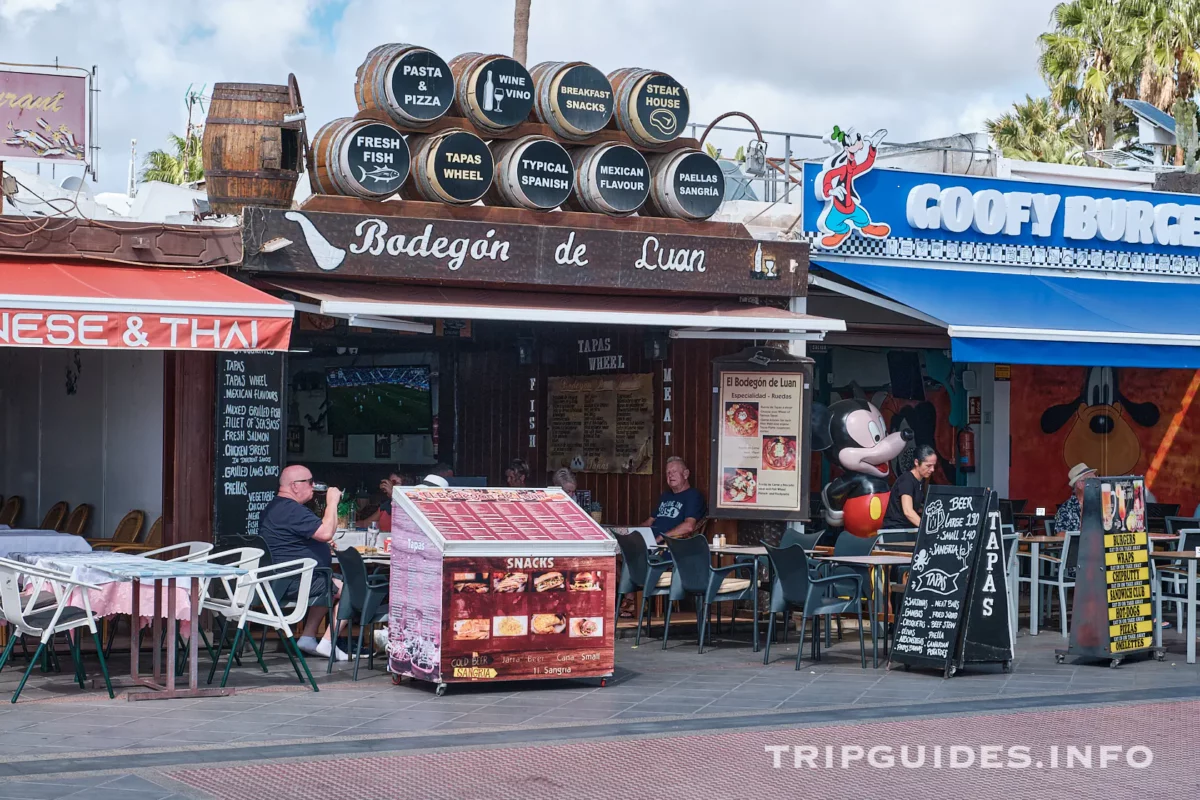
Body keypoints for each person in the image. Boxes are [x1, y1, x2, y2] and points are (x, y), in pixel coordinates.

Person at [260, 465, 348, 661]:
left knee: (329, 581)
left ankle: (308, 637)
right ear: (295, 486)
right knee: (351, 587)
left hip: (282, 578)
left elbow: (294, 539)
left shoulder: (276, 507)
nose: (313, 486)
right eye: (310, 482)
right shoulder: (292, 510)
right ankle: (328, 642)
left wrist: (317, 543)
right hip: (292, 581)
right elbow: (325, 532)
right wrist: (332, 502)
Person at [642, 456, 706, 542]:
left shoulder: (693, 495)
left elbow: (689, 526)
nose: (670, 475)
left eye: (674, 471)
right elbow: (649, 522)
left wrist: (660, 538)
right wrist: (634, 532)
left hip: (670, 546)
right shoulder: (665, 496)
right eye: (668, 472)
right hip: (650, 542)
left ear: (685, 474)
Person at [881, 445, 937, 530]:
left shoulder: (920, 481)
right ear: (916, 462)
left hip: (909, 528)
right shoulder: (907, 480)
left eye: (934, 466)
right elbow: (908, 511)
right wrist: (927, 528)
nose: (932, 469)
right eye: (928, 466)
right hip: (896, 530)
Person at [1054, 462, 1095, 534]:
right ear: (1079, 484)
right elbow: (1060, 534)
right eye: (1091, 480)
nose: (1096, 483)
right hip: (1077, 544)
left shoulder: (1102, 503)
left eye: (1096, 479)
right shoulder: (1066, 508)